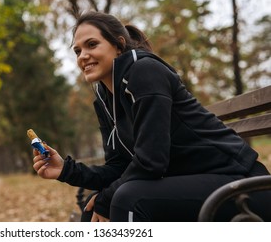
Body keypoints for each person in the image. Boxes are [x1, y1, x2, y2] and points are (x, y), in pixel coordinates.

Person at [32, 11, 271, 222]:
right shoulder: (105, 100)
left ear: (118, 45)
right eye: (77, 50)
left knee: (128, 199)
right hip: (197, 185)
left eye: (92, 44)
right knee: (91, 210)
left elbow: (151, 161)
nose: (83, 55)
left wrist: (107, 196)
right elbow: (119, 167)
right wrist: (65, 170)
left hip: (241, 185)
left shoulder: (144, 72)